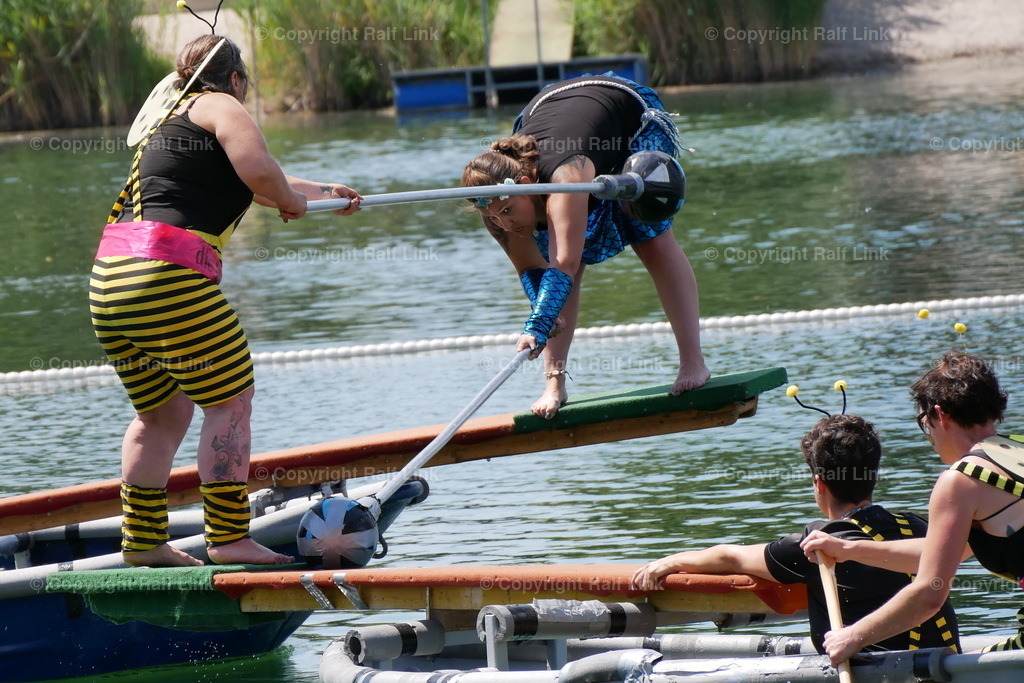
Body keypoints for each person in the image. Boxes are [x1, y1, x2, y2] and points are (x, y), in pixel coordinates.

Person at [88, 34, 361, 568]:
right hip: (167, 277)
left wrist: (322, 193)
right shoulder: (220, 103)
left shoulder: (173, 121)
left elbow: (255, 179)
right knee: (230, 401)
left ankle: (143, 544)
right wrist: (292, 204)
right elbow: (262, 176)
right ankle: (229, 536)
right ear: (236, 79)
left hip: (110, 282)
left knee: (161, 415)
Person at [461, 75, 709, 419]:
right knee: (554, 274)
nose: (504, 224)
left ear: (527, 184)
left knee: (648, 235)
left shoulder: (564, 179)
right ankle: (554, 384)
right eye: (493, 216)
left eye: (507, 211)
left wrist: (537, 324)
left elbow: (564, 263)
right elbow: (533, 270)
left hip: (626, 114)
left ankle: (693, 364)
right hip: (553, 106)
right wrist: (545, 314)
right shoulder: (494, 203)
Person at [631, 414, 960, 655]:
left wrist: (669, 562)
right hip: (944, 663)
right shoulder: (918, 528)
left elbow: (730, 557)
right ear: (872, 474)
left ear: (819, 484)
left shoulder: (816, 543)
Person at [802, 351, 1023, 665]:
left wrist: (853, 636)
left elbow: (929, 595)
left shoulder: (960, 481)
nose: (928, 436)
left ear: (939, 415)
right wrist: (849, 549)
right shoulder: (1018, 450)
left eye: (924, 424)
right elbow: (941, 554)